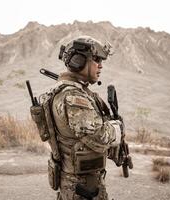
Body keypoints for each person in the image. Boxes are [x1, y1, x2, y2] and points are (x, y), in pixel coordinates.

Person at [50, 36, 123, 200]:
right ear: (78, 61)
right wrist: (117, 129)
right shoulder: (73, 97)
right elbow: (98, 135)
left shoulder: (72, 91)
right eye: (96, 59)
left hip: (81, 185)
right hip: (81, 188)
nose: (101, 65)